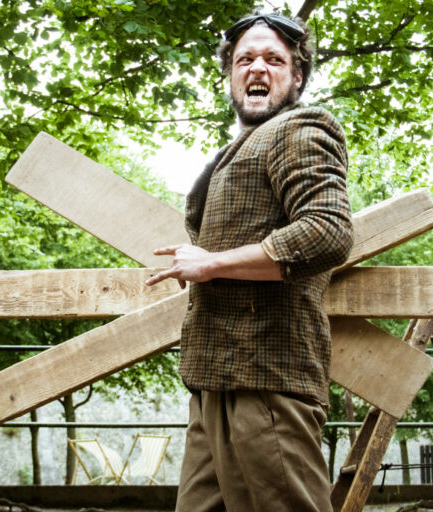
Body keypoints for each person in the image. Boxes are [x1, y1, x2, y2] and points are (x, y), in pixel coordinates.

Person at [145, 13, 355, 512]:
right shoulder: (232, 151)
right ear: (230, 76)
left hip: (267, 379)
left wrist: (212, 264)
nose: (257, 68)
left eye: (274, 59)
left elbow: (327, 233)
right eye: (245, 59)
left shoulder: (301, 128)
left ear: (297, 76)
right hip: (212, 377)